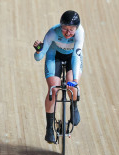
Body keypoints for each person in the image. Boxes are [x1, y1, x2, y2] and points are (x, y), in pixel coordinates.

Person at [33, 10, 84, 143]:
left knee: (72, 85)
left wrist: (75, 81)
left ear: (76, 28)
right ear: (60, 26)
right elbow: (38, 58)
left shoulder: (80, 33)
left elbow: (76, 57)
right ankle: (49, 128)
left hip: (72, 58)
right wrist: (38, 50)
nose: (68, 33)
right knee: (53, 89)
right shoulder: (52, 33)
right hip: (54, 56)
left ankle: (74, 107)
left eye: (71, 30)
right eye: (65, 29)